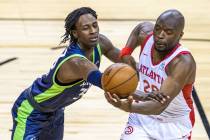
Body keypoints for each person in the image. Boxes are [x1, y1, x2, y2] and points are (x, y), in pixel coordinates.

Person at [11, 7, 137, 140]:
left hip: (56, 111)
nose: (93, 31)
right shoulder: (75, 62)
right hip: (31, 112)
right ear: (75, 33)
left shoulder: (101, 42)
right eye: (86, 28)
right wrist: (145, 96)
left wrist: (149, 72)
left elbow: (125, 61)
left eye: (95, 25)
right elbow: (109, 84)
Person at [105, 9, 196, 140]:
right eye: (158, 28)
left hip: (173, 123)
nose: (160, 35)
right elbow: (139, 28)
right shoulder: (145, 34)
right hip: (142, 118)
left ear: (180, 35)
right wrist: (126, 52)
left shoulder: (182, 63)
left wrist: (127, 106)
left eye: (168, 32)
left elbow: (158, 106)